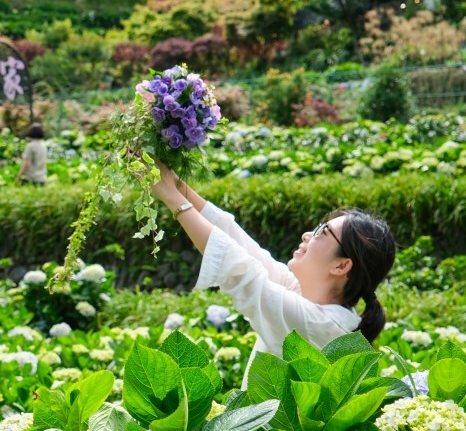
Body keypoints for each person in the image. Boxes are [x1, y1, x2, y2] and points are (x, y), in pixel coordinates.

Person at [150, 162, 395, 388]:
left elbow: (240, 270)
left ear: (341, 266)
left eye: (322, 232)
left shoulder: (319, 325)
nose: (307, 235)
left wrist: (173, 198)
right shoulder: (306, 298)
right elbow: (242, 245)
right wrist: (174, 182)